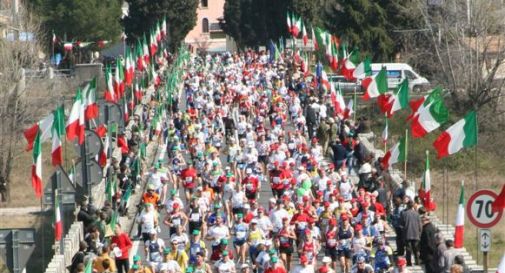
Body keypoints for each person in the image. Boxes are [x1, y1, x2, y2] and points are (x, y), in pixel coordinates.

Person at [400, 199, 421, 266]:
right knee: (416, 249)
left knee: (408, 249)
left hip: (407, 234)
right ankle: (417, 262)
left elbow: (401, 225)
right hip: (416, 234)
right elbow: (420, 225)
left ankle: (409, 263)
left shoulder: (404, 214)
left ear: (407, 205)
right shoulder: (417, 214)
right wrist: (419, 233)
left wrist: (403, 232)